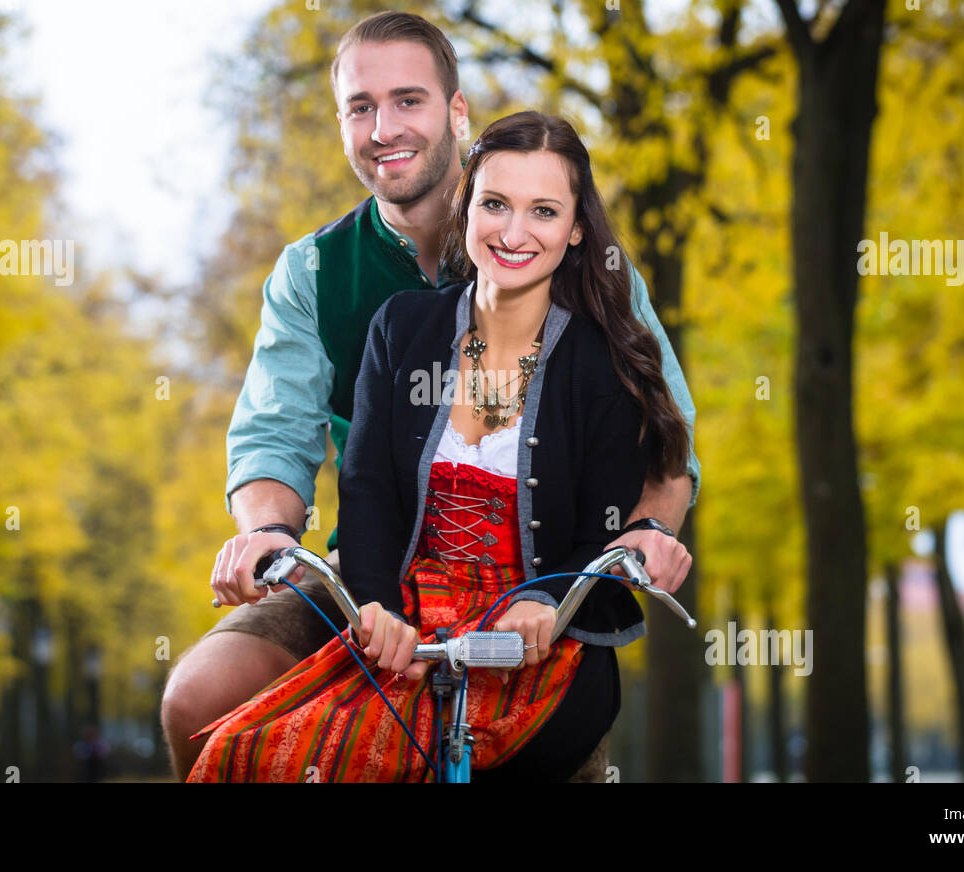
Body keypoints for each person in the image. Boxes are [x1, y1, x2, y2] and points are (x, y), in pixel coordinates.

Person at [162, 11, 700, 781]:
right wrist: (269, 537)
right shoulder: (318, 274)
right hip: (373, 570)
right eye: (360, 106)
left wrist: (636, 541)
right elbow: (274, 442)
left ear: (456, 114)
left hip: (539, 585)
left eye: (408, 100)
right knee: (199, 700)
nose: (384, 127)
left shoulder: (586, 280)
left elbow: (666, 450)